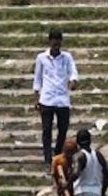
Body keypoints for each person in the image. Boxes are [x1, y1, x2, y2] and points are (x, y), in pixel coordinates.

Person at [33, 30, 79, 168]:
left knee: (63, 130)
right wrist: (36, 97)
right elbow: (38, 78)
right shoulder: (41, 58)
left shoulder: (67, 57)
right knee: (46, 130)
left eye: (58, 43)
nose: (56, 46)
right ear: (50, 42)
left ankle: (58, 155)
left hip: (62, 99)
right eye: (54, 43)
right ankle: (47, 159)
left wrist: (73, 82)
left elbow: (73, 72)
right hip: (47, 99)